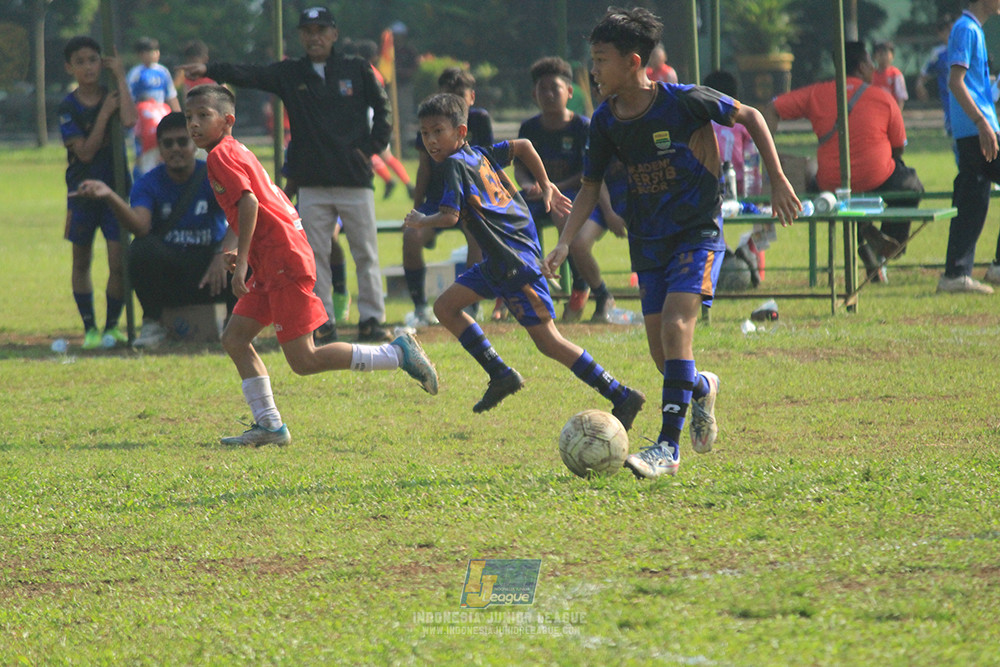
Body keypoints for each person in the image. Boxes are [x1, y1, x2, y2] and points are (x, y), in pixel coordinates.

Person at [544, 7, 800, 479]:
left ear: (632, 61)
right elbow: (587, 186)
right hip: (648, 240)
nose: (593, 71)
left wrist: (779, 179)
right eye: (593, 60)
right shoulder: (604, 122)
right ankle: (701, 386)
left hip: (696, 232)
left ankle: (667, 447)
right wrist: (564, 242)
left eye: (601, 61)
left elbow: (752, 117)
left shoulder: (684, 101)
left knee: (679, 325)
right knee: (664, 357)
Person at [184, 84, 437, 447]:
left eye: (202, 116)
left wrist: (241, 267)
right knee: (235, 338)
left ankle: (397, 353)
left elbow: (250, 204)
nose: (194, 124)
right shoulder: (233, 150)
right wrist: (244, 252)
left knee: (304, 359)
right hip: (274, 258)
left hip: (282, 260)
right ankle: (270, 426)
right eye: (189, 117)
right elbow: (253, 206)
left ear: (227, 121)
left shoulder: (219, 156)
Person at [405, 93, 646, 428]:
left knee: (550, 342)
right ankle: (500, 374)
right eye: (425, 133)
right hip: (499, 261)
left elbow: (448, 216)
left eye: (438, 131)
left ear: (460, 132)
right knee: (445, 307)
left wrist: (420, 220)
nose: (430, 140)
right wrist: (545, 185)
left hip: (513, 263)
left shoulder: (452, 165)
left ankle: (621, 394)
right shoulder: (481, 155)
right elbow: (524, 146)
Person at [180, 7, 393, 342]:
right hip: (310, 180)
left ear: (334, 33)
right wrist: (211, 69)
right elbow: (250, 74)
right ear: (300, 36)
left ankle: (372, 319)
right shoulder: (291, 73)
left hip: (354, 177)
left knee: (365, 251)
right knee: (315, 253)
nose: (315, 36)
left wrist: (370, 148)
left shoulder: (357, 69)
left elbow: (383, 109)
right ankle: (323, 321)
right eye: (307, 30)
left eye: (321, 29)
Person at [765, 42, 924, 284]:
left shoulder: (815, 93)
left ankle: (867, 234)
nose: (873, 67)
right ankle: (889, 242)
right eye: (870, 62)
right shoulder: (883, 97)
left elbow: (771, 109)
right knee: (910, 184)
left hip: (831, 182)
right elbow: (899, 147)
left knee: (833, 187)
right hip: (877, 177)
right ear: (861, 67)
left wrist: (770, 155)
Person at [72, 112, 233, 349]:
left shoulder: (213, 175)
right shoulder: (149, 182)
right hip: (172, 271)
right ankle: (153, 323)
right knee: (140, 249)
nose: (175, 149)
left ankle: (235, 324)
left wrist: (223, 253)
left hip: (212, 269)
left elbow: (241, 218)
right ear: (159, 148)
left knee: (245, 255)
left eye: (182, 141)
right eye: (168, 143)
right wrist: (110, 196)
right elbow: (141, 227)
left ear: (194, 143)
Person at [517, 56, 617, 322]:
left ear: (569, 92)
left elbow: (588, 174)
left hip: (571, 193)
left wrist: (551, 187)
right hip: (538, 194)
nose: (549, 94)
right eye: (542, 89)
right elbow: (520, 168)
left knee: (563, 215)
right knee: (510, 217)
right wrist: (529, 185)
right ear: (533, 93)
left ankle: (581, 286)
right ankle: (525, 289)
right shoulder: (529, 128)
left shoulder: (582, 126)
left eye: (555, 88)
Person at [60, 36, 137, 350]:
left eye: (93, 59)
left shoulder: (113, 94)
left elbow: (131, 120)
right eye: (80, 61)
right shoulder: (68, 106)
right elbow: (86, 153)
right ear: (70, 67)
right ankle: (90, 327)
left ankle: (111, 327)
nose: (88, 67)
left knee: (118, 262)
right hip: (81, 194)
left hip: (116, 193)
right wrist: (105, 114)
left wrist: (120, 76)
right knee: (82, 261)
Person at [405, 67, 494, 326]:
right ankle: (420, 306)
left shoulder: (479, 120)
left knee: (475, 238)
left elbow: (490, 162)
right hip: (437, 199)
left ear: (471, 98)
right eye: (447, 96)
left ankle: (471, 306)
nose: (453, 103)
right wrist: (417, 208)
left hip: (471, 197)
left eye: (459, 96)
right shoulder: (431, 122)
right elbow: (423, 167)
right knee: (411, 236)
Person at [938, 0, 1000, 294]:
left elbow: (972, 83)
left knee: (973, 198)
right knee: (972, 197)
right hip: (977, 130)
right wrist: (981, 121)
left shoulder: (973, 29)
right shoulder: (966, 29)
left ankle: (956, 274)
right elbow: (956, 81)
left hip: (977, 129)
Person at [916, 15, 957, 141]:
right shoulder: (938, 53)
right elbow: (925, 72)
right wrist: (920, 85)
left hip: (965, 95)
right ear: (940, 33)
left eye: (952, 30)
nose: (950, 34)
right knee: (953, 134)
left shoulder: (961, 49)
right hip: (948, 99)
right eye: (947, 31)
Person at [126, 37, 180, 112]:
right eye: (152, 51)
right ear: (141, 54)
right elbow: (129, 98)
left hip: (160, 113)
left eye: (157, 51)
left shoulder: (163, 71)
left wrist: (179, 116)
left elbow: (171, 96)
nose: (156, 54)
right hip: (142, 114)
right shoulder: (135, 73)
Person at [132, 93, 172, 178]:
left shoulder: (139, 107)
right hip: (167, 142)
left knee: (147, 173)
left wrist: (140, 155)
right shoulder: (164, 106)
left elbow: (138, 133)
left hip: (150, 141)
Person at [872, 42, 908, 109]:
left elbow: (901, 97)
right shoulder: (871, 74)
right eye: (880, 53)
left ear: (892, 56)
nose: (883, 56)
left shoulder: (896, 74)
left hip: (890, 109)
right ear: (875, 56)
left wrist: (897, 114)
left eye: (886, 53)